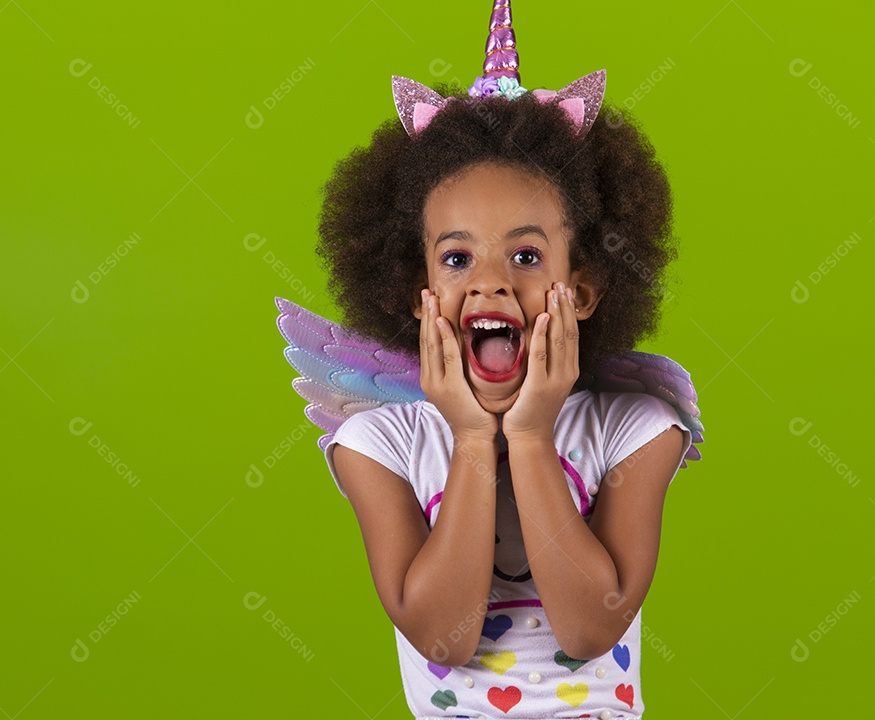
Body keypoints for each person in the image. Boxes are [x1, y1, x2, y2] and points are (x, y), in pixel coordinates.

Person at [287, 2, 704, 717]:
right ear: (418, 296)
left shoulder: (638, 429)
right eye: (456, 257)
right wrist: (475, 440)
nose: (490, 281)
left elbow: (588, 625)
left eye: (526, 255)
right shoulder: (378, 444)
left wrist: (534, 437)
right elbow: (442, 638)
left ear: (581, 291)